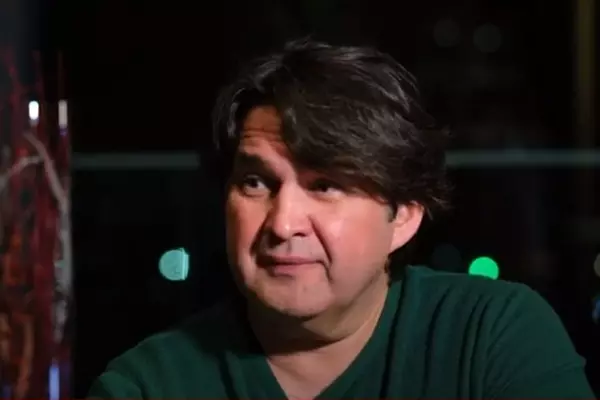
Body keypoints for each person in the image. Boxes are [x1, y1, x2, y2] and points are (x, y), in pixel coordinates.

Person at [88, 39, 595, 399]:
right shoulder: (150, 385)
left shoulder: (489, 338)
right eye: (257, 183)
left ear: (404, 216)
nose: (283, 223)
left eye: (325, 186)